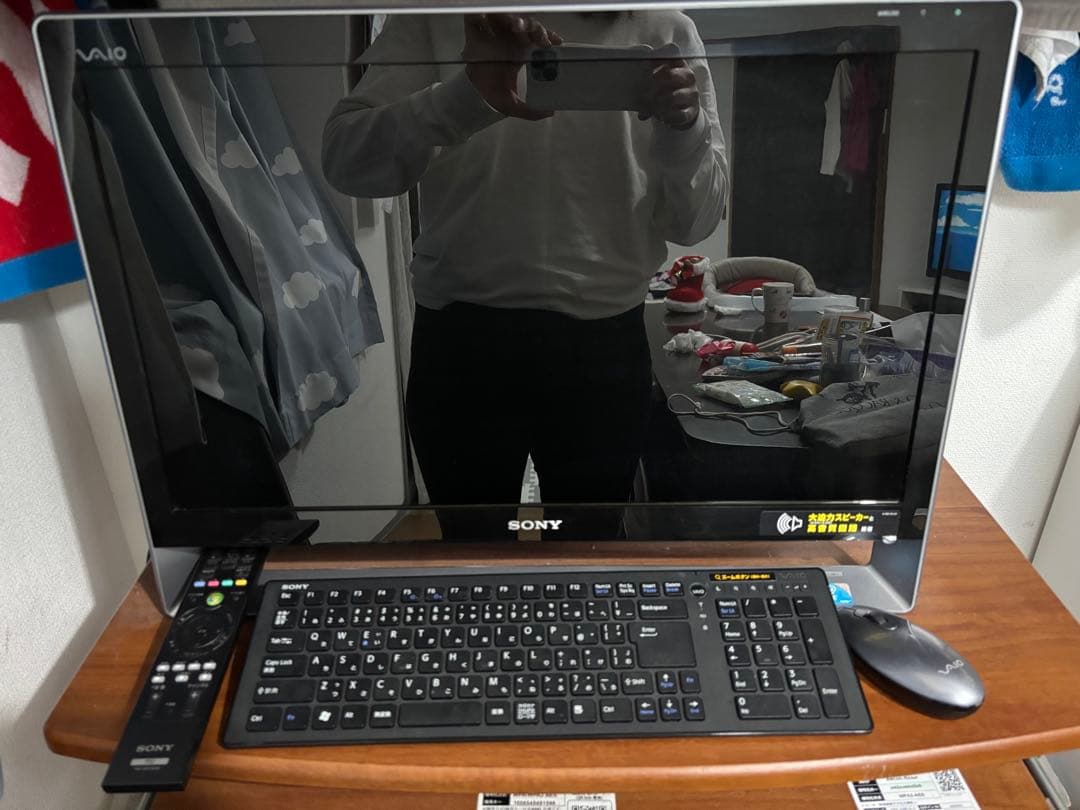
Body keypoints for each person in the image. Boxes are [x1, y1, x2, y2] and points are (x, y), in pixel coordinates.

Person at [323, 11, 727, 537]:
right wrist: (469, 94)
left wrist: (686, 128)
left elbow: (696, 222)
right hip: (467, 340)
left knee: (585, 554)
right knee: (477, 555)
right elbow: (347, 162)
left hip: (597, 342)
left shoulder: (665, 28)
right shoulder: (441, 15)